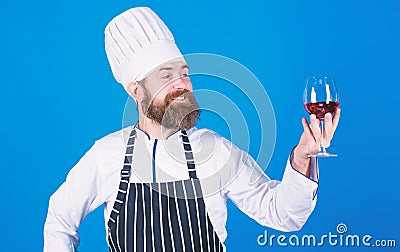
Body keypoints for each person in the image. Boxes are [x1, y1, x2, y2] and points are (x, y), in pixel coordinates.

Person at [43, 7, 341, 252]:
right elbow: (59, 220)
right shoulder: (106, 155)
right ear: (136, 90)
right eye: (166, 75)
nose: (182, 84)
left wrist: (303, 156)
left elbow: (283, 213)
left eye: (184, 73)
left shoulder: (215, 150)